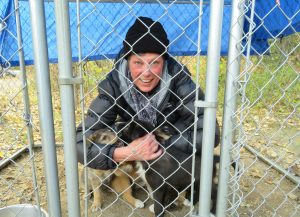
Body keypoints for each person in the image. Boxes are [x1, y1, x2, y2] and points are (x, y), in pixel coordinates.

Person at [76, 16, 220, 170]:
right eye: (138, 62)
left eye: (155, 62)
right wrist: (124, 152)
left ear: (164, 62)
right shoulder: (114, 84)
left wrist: (159, 144)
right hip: (131, 148)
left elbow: (210, 133)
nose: (146, 73)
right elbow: (79, 142)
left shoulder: (179, 79)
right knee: (107, 138)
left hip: (172, 146)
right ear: (127, 61)